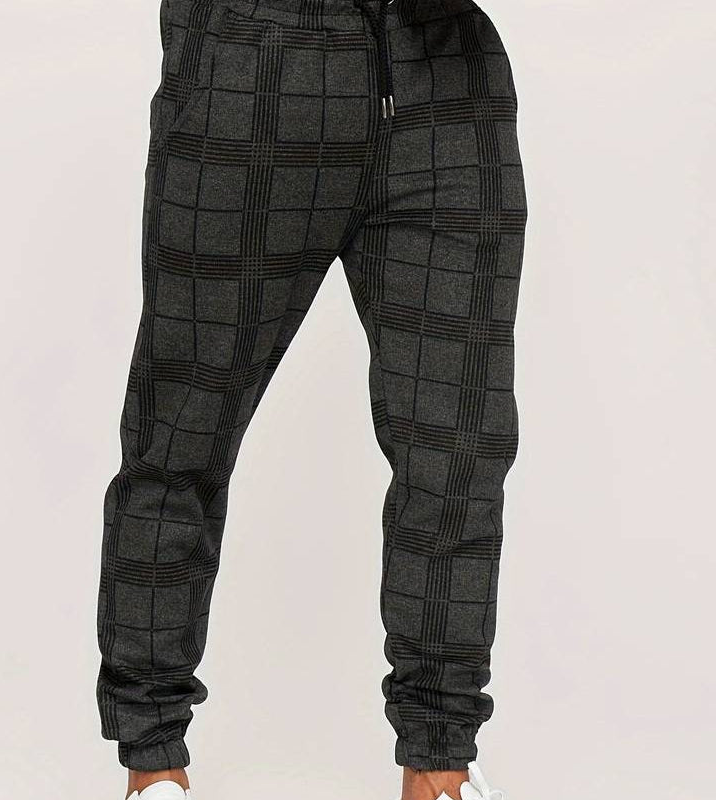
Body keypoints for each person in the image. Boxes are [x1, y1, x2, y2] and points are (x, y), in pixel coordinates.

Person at [96, 0, 526, 797]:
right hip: (257, 62)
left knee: (458, 448)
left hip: (449, 77)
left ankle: (441, 766)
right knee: (182, 434)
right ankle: (152, 766)